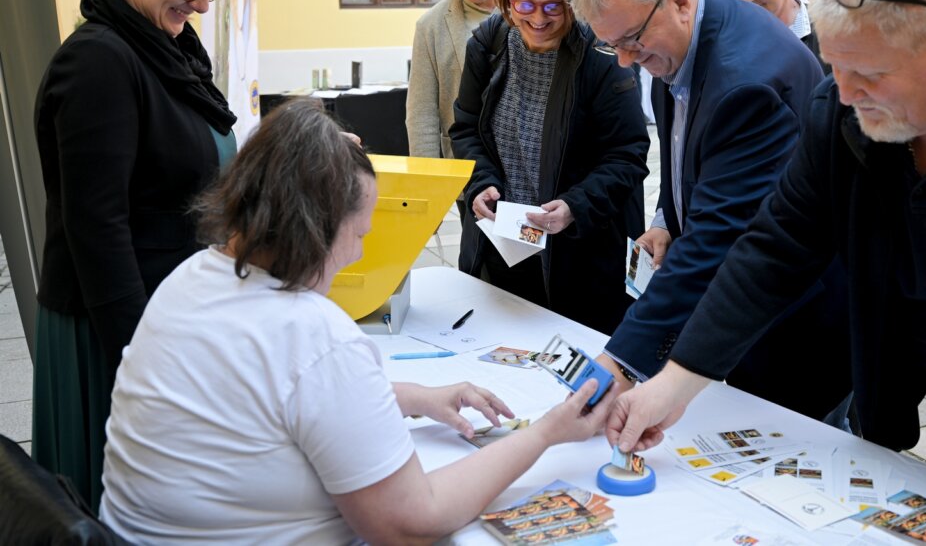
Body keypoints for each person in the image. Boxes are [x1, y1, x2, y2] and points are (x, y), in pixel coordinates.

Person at [606, 0, 926, 545]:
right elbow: (776, 248)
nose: (846, 95)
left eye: (870, 74)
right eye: (837, 67)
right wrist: (674, 381)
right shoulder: (842, 106)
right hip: (924, 345)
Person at [99, 99, 615, 544]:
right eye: (359, 232)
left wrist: (412, 397)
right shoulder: (314, 333)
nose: (358, 253)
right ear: (315, 227)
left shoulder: (194, 275)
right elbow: (412, 523)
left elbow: (267, 395)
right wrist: (549, 432)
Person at [571, 0, 850, 424]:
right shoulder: (685, 37)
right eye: (610, 45)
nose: (625, 60)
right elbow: (688, 159)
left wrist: (620, 364)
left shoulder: (745, 83)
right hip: (746, 301)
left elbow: (716, 241)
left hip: (794, 321)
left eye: (632, 40)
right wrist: (667, 219)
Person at [32, 0, 236, 510]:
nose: (200, 3)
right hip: (115, 324)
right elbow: (97, 227)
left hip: (164, 312)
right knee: (111, 498)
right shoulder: (98, 62)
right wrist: (137, 355)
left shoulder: (164, 47)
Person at [450, 0, 649, 335]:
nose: (538, 19)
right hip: (506, 246)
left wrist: (575, 205)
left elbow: (628, 153)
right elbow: (466, 129)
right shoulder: (488, 46)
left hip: (581, 256)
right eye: (524, 5)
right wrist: (482, 184)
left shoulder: (601, 54)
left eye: (552, 7)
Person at [406, 0, 503, 161]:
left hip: (528, 174)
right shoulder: (430, 26)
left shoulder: (530, 13)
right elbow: (422, 114)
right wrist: (427, 180)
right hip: (464, 171)